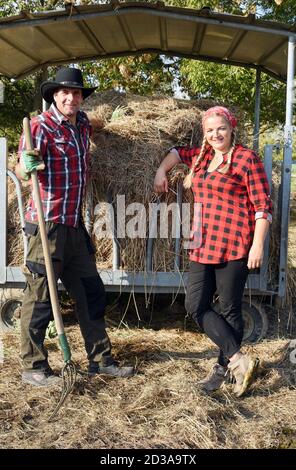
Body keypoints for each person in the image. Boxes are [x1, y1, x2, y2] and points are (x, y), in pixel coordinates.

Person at [16, 67, 134, 387]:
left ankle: (100, 360)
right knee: (40, 296)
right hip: (47, 225)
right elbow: (21, 167)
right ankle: (34, 367)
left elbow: (95, 123)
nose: (71, 97)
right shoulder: (39, 127)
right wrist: (26, 166)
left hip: (74, 224)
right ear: (54, 95)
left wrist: (117, 117)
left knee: (91, 291)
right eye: (65, 92)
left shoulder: (81, 123)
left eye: (77, 93)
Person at [154, 106, 272, 397]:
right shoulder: (203, 156)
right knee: (195, 306)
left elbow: (262, 207)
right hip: (202, 242)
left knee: (230, 308)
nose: (215, 134)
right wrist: (161, 169)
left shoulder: (246, 159)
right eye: (209, 130)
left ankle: (223, 371)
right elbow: (176, 151)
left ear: (231, 128)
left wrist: (257, 244)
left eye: (220, 128)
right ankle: (238, 360)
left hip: (234, 244)